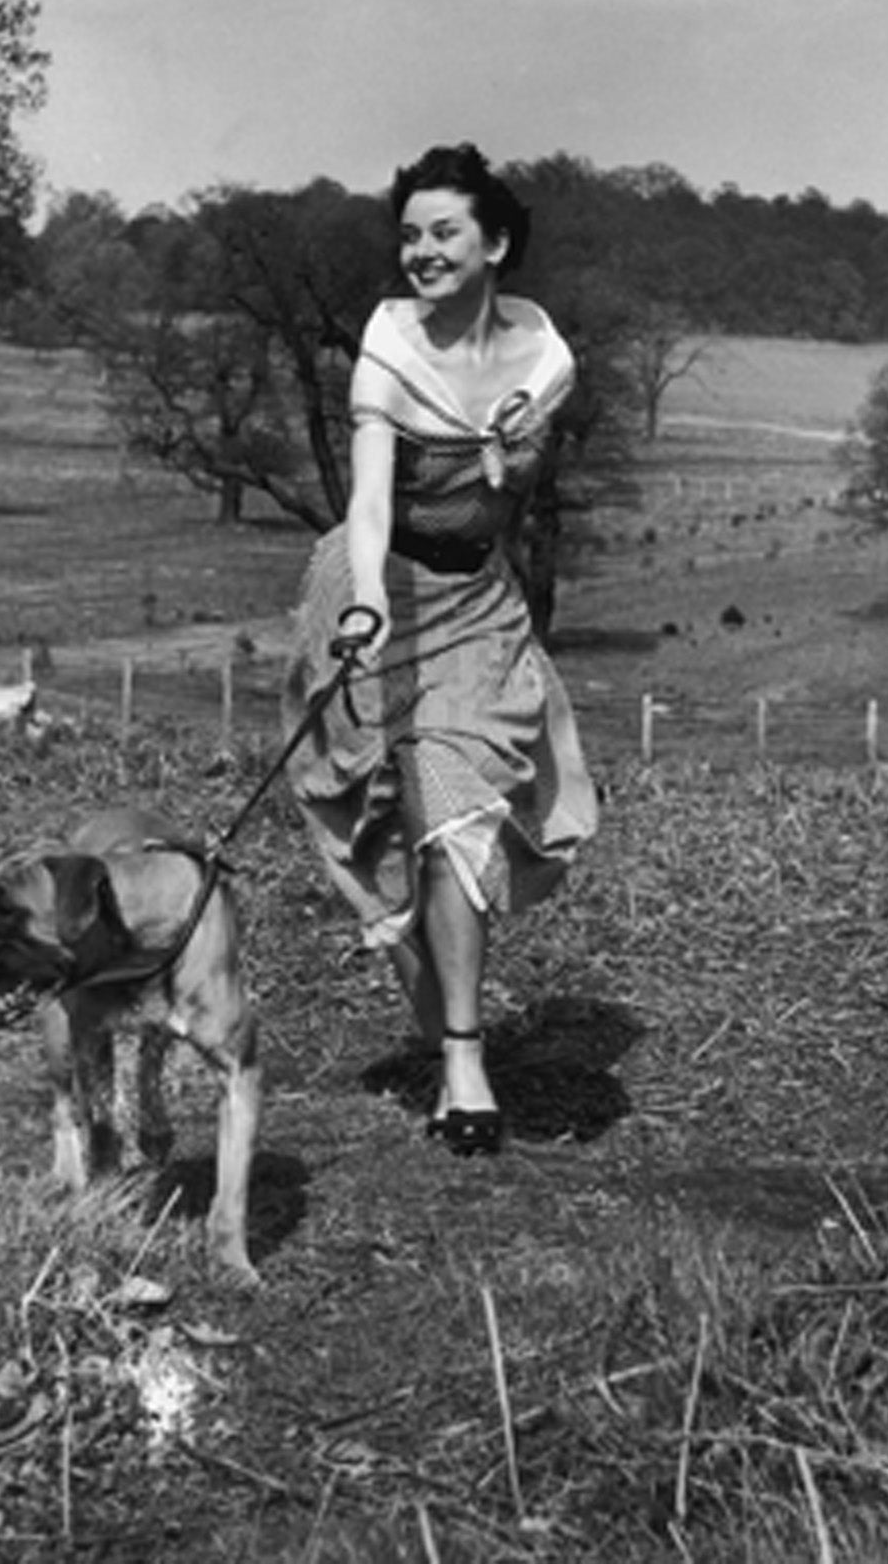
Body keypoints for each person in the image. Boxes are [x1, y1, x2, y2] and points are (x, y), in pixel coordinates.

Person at [283, 141, 598, 1157]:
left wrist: (518, 461)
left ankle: (460, 1054)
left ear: (495, 242)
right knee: (389, 813)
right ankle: (438, 1000)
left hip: (473, 600)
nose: (419, 250)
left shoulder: (546, 360)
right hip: (378, 588)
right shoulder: (388, 344)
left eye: (443, 231)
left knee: (455, 811)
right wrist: (366, 604)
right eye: (409, 233)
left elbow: (507, 497)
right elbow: (368, 502)